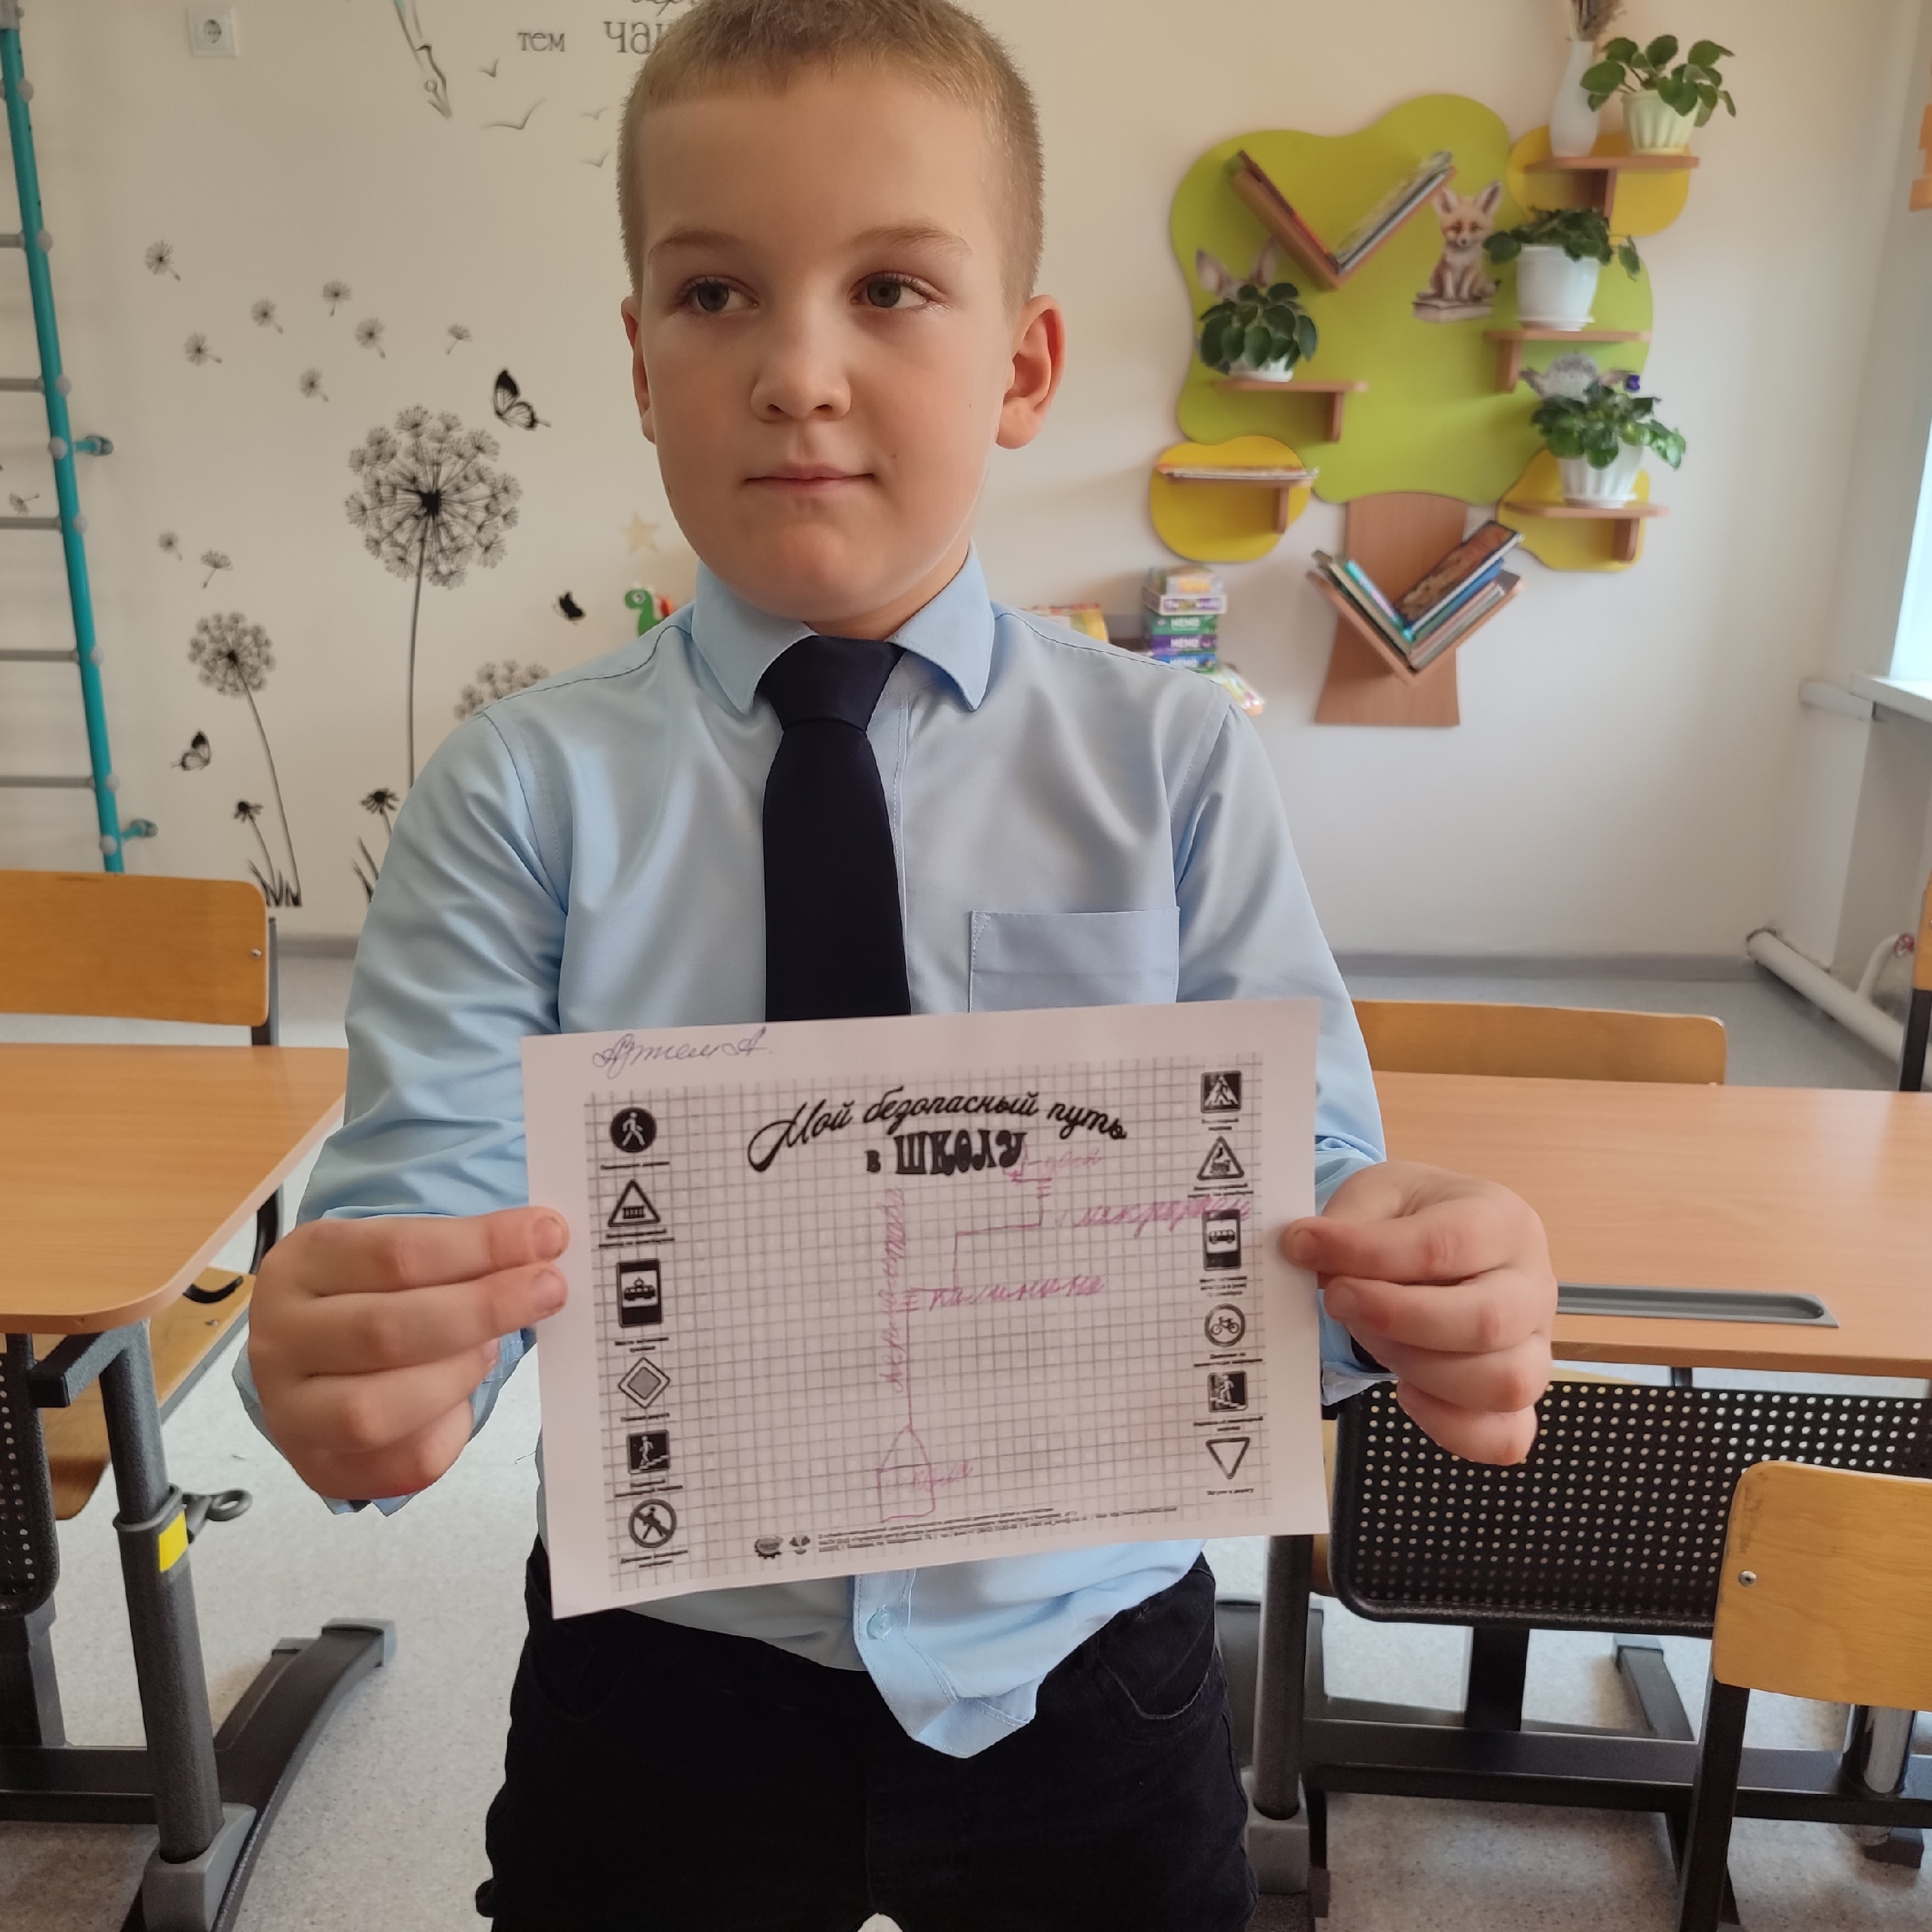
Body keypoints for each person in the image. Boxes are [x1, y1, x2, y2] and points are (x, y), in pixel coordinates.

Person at [243, 2, 1558, 1924]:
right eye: (713, 294)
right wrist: (366, 1359)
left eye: (889, 288)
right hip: (664, 1672)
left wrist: (1417, 1281)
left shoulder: (1171, 761)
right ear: (638, 362)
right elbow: (427, 1226)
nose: (796, 373)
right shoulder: (513, 792)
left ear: (1022, 366)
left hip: (1087, 1661)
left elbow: (1306, 1198)